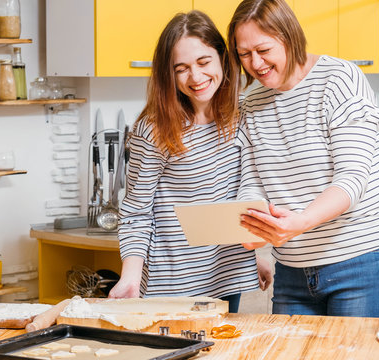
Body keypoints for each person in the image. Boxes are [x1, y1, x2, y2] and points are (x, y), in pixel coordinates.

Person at [226, 0, 379, 317]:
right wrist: (251, 225)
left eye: (263, 50)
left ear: (289, 37)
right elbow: (252, 180)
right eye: (244, 54)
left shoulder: (339, 79)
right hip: (293, 269)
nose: (255, 63)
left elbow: (351, 180)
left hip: (367, 258)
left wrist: (300, 222)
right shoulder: (252, 103)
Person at [108, 10, 272, 313]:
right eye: (181, 69)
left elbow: (230, 198)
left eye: (203, 62)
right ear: (167, 74)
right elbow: (136, 212)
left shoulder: (241, 116)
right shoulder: (155, 128)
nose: (195, 77)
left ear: (223, 58)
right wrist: (130, 276)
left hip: (227, 277)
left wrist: (250, 257)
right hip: (171, 286)